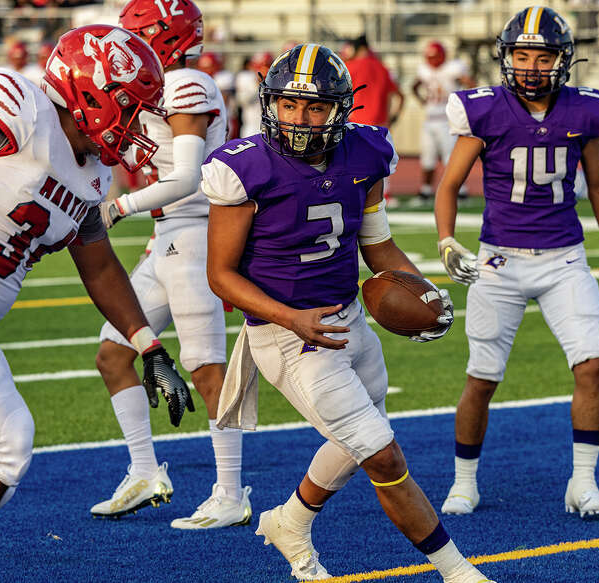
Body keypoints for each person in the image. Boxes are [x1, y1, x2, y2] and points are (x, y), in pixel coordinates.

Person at [203, 43, 494, 583]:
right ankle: (457, 572)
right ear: (270, 103)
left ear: (340, 109)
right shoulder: (243, 168)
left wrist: (420, 290)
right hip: (285, 334)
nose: (299, 118)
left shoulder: (366, 153)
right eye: (289, 105)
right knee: (381, 455)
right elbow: (221, 275)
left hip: (350, 320)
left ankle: (290, 521)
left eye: (314, 107)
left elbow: (377, 245)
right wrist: (292, 319)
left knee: (357, 435)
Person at [0, 24, 190, 582]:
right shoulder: (17, 108)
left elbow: (100, 265)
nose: (138, 126)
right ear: (90, 92)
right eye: (129, 107)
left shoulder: (91, 175)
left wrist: (149, 346)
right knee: (5, 440)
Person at [434, 6, 599, 521]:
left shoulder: (586, 111)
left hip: (564, 257)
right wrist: (447, 241)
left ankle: (583, 482)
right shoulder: (485, 111)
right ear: (506, 58)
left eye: (542, 56)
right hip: (500, 260)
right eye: (521, 55)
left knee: (591, 362)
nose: (530, 66)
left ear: (562, 60)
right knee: (482, 376)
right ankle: (464, 482)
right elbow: (449, 185)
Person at [91, 0, 253, 530]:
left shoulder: (185, 82)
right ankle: (144, 472)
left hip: (197, 233)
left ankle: (230, 493)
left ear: (163, 35)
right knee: (114, 353)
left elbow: (187, 177)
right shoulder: (160, 83)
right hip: (168, 236)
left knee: (207, 368)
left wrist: (119, 207)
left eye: (133, 35)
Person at [411, 40, 474, 206]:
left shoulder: (453, 68)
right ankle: (425, 192)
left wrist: (464, 101)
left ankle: (460, 192)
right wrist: (422, 100)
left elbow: (470, 84)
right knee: (427, 158)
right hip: (430, 119)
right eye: (430, 57)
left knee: (450, 158)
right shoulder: (424, 70)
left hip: (448, 120)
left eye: (435, 57)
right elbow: (414, 86)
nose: (432, 61)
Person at [345, 35, 405, 206]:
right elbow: (400, 96)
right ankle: (384, 196)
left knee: (354, 163)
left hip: (356, 122)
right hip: (380, 124)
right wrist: (394, 116)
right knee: (382, 163)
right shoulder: (382, 67)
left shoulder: (350, 67)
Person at [235, 50, 273, 138]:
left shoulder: (276, 79)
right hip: (250, 127)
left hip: (271, 127)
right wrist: (257, 86)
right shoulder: (244, 77)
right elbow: (242, 101)